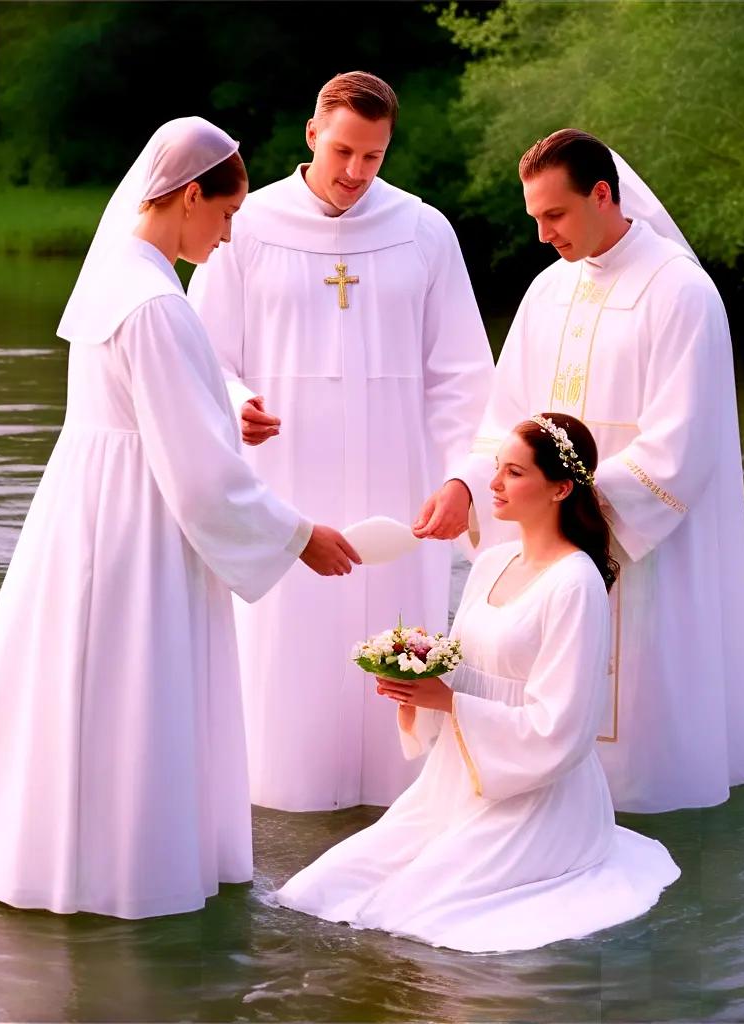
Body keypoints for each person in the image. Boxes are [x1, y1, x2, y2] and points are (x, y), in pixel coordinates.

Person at [0, 117, 360, 919]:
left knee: (74, 691)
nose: (228, 238)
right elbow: (199, 476)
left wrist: (227, 412)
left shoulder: (118, 278)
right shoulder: (156, 302)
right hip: (139, 532)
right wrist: (299, 537)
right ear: (191, 196)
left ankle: (49, 861)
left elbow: (160, 415)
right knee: (130, 692)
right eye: (225, 216)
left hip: (86, 515)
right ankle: (127, 875)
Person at [416, 129, 744, 813]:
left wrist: (567, 512)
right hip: (551, 538)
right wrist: (469, 485)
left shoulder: (681, 291)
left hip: (646, 553)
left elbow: (682, 445)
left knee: (638, 707)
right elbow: (505, 421)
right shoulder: (546, 292)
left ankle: (648, 804)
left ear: (602, 195)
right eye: (535, 218)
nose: (544, 234)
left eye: (556, 215)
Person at [188, 72, 494, 812]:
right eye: (344, 152)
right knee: (286, 651)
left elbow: (462, 376)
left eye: (374, 157)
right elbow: (201, 354)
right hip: (285, 485)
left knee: (399, 638)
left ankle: (403, 798)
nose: (356, 173)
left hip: (402, 486)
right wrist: (234, 404)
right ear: (311, 134)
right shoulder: (246, 227)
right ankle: (279, 804)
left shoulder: (423, 231)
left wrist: (464, 481)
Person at [275, 415, 681, 953]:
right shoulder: (489, 562)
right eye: (496, 468)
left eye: (513, 472)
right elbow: (466, 670)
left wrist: (450, 700)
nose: (492, 484)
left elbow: (561, 727)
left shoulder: (576, 583)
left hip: (537, 796)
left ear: (560, 488)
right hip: (457, 779)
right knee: (313, 891)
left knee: (408, 913)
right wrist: (415, 681)